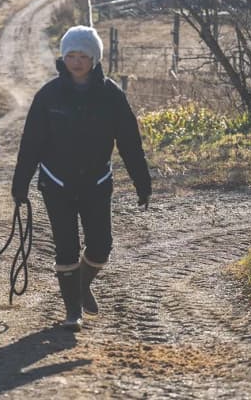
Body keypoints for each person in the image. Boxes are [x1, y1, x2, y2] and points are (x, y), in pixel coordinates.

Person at [11, 25, 152, 331]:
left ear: (95, 58)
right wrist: (19, 184)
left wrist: (142, 182)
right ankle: (72, 312)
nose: (76, 61)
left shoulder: (111, 96)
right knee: (66, 246)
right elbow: (31, 143)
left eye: (83, 56)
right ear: (63, 57)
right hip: (56, 182)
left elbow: (129, 142)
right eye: (71, 55)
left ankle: (81, 285)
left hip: (96, 182)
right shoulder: (47, 96)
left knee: (101, 246)